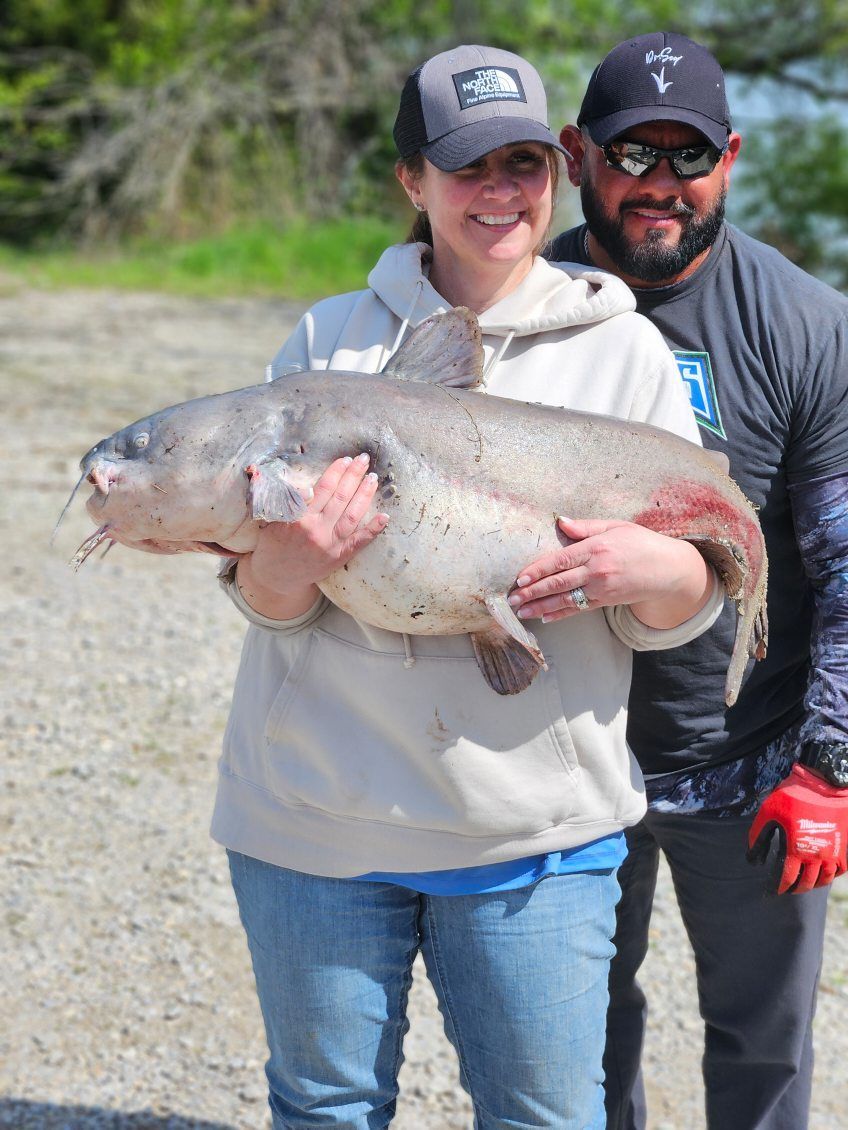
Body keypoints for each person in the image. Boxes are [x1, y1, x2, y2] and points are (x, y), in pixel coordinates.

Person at [211, 43, 723, 1130]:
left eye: (523, 164)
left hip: (533, 835)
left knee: (540, 1117)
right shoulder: (325, 340)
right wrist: (291, 559)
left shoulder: (622, 352)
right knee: (322, 1107)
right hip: (315, 824)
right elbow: (265, 599)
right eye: (465, 167)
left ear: (558, 169)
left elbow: (681, 597)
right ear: (411, 180)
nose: (499, 192)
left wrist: (663, 570)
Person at [543, 30, 848, 1130]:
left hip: (744, 760)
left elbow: (845, 562)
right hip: (560, 749)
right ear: (579, 155)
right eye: (631, 154)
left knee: (761, 1049)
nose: (657, 184)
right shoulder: (523, 305)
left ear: (731, 157)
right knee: (577, 1040)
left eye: (687, 156)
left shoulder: (807, 329)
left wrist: (828, 765)